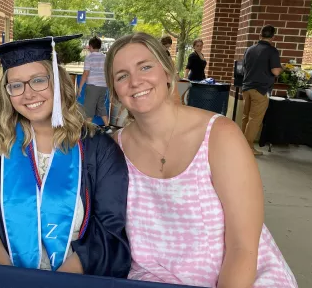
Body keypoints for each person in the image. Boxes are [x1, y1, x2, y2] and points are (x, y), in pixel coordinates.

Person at [104, 32, 297, 287]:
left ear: (167, 71)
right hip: (152, 279)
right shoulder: (114, 149)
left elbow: (243, 247)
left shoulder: (219, 136)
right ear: (115, 91)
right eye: (122, 75)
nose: (136, 81)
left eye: (145, 67)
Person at [0, 35, 131, 277]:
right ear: (7, 93)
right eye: (16, 85)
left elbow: (108, 230)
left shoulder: (98, 149)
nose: (28, 94)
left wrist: (56, 282)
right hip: (5, 277)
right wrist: (12, 279)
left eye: (39, 81)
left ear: (58, 83)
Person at [242, 25, 282, 156]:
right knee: (254, 120)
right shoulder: (272, 51)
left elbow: (244, 67)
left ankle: (240, 144)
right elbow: (275, 71)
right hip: (260, 89)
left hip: (246, 87)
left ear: (260, 35)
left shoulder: (249, 49)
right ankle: (248, 148)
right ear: (273, 37)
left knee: (245, 117)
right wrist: (283, 69)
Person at [78, 36, 111, 132]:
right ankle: (107, 127)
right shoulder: (105, 57)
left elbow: (86, 73)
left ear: (90, 46)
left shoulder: (89, 57)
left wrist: (80, 87)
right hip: (103, 86)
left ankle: (87, 130)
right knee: (101, 106)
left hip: (93, 85)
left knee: (89, 108)